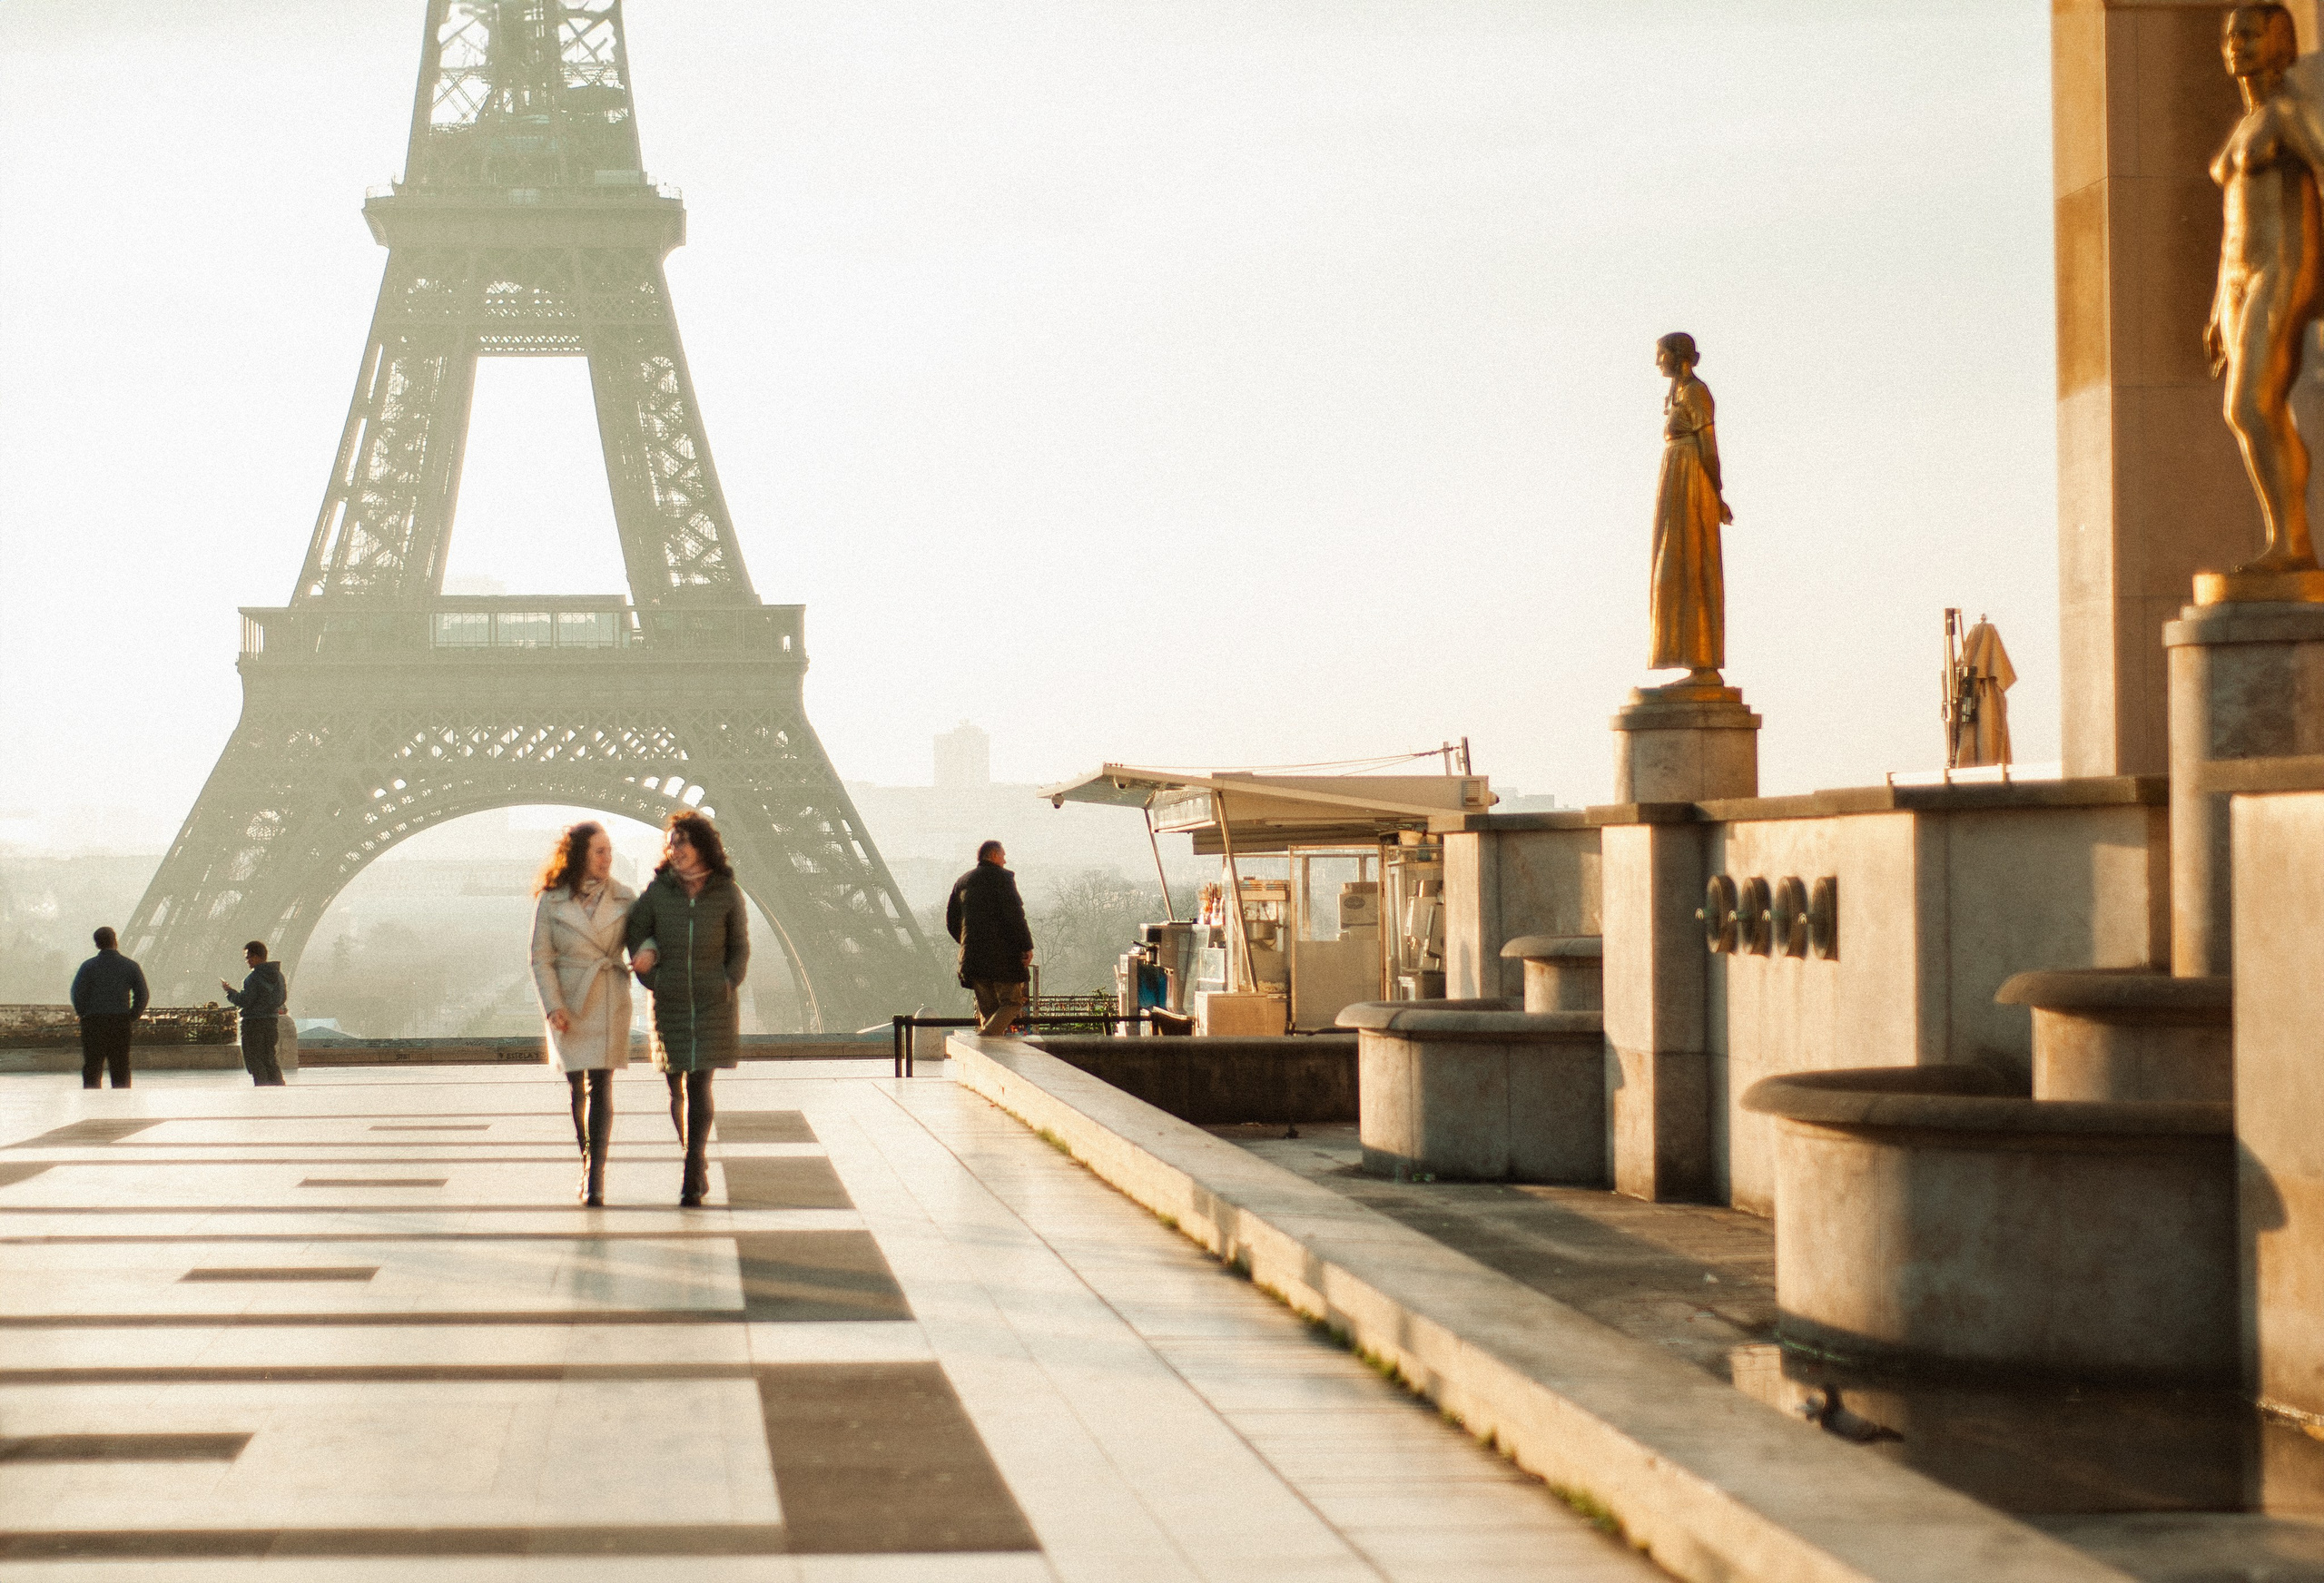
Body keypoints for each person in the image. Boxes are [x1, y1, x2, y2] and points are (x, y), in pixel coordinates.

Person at [2207, 5, 2324, 579]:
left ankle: (2294, 542)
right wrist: (2215, 307)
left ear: (2278, 42)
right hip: (2238, 274)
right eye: (2231, 37)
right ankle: (2284, 536)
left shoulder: (2290, 115)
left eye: (2249, 36)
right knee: (2246, 412)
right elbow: (2233, 226)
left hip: (2285, 264)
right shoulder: (2244, 126)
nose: (2236, 46)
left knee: (2251, 405)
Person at [625, 811, 748, 1207]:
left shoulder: (727, 893)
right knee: (676, 1086)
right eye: (670, 843)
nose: (673, 849)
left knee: (699, 1084)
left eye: (681, 842)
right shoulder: (658, 892)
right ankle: (692, 1154)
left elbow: (739, 947)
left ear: (701, 845)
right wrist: (652, 976)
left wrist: (727, 981)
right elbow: (636, 931)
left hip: (713, 1003)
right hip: (672, 1000)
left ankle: (693, 1165)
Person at [529, 821, 638, 1207]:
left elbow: (645, 941)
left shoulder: (626, 898)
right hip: (569, 1001)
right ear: (580, 855)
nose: (608, 858)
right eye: (600, 851)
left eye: (609, 850)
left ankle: (595, 1175)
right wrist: (553, 1005)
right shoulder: (551, 900)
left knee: (601, 1087)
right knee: (578, 1089)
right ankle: (587, 1159)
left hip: (607, 995)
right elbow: (541, 958)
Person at [1648, 331, 1735, 683]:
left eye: (1661, 354)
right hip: (1675, 482)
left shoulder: (1697, 393)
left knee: (1692, 563)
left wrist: (1716, 494)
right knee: (1671, 568)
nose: (1657, 362)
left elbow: (1709, 450)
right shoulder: (1679, 394)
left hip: (1692, 481)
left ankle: (1703, 662)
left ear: (1677, 356)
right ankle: (1686, 654)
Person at [946, 841, 1034, 1036]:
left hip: (972, 958)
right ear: (993, 855)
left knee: (990, 1011)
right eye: (1003, 855)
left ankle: (991, 1050)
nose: (1005, 860)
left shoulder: (963, 882)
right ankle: (983, 1040)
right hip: (1001, 957)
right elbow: (1015, 916)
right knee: (1012, 1002)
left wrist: (967, 944)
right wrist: (1026, 946)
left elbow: (952, 922)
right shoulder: (1002, 879)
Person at [69, 927, 149, 1089]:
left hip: (93, 1022)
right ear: (115, 941)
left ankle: (91, 1103)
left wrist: (83, 1013)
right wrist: (132, 1015)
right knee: (120, 1066)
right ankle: (122, 1104)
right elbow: (142, 994)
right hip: (120, 1021)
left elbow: (77, 992)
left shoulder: (88, 966)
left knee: (92, 1066)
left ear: (97, 945)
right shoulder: (130, 966)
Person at [221, 941, 288, 1086]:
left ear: (257, 957)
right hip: (271, 1021)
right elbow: (282, 998)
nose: (247, 961)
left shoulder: (252, 978)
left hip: (252, 1023)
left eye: (248, 957)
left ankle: (262, 1086)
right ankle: (277, 1085)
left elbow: (245, 1000)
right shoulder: (279, 976)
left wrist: (230, 993)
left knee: (254, 1058)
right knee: (269, 1056)